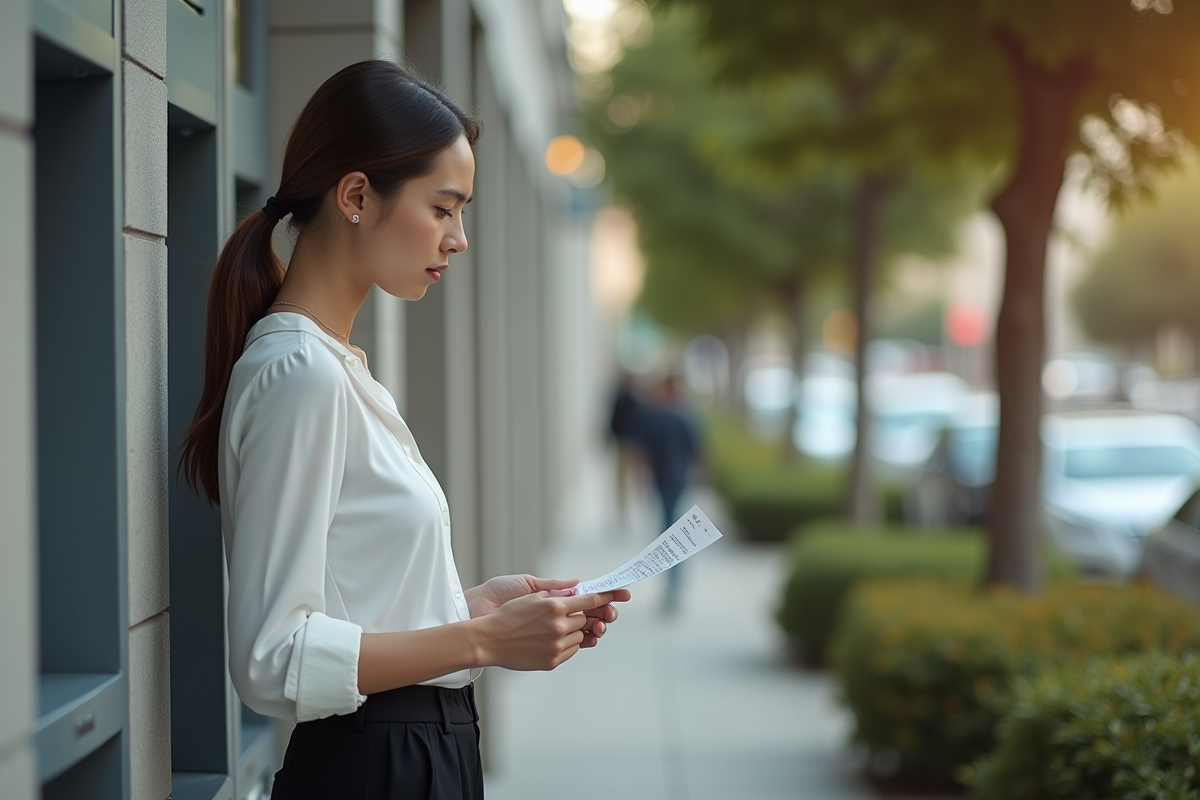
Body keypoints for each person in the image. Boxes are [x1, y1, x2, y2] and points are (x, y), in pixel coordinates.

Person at [179, 60, 630, 800]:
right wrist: (484, 639)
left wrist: (470, 606)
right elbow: (270, 655)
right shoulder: (302, 374)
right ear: (356, 196)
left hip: (418, 751)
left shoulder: (335, 367)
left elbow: (353, 598)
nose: (458, 239)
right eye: (444, 208)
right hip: (376, 765)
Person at [630, 371, 701, 612]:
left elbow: (643, 454)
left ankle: (672, 586)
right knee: (673, 530)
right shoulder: (682, 416)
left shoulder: (658, 417)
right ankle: (673, 586)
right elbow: (696, 450)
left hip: (664, 480)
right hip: (677, 479)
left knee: (668, 530)